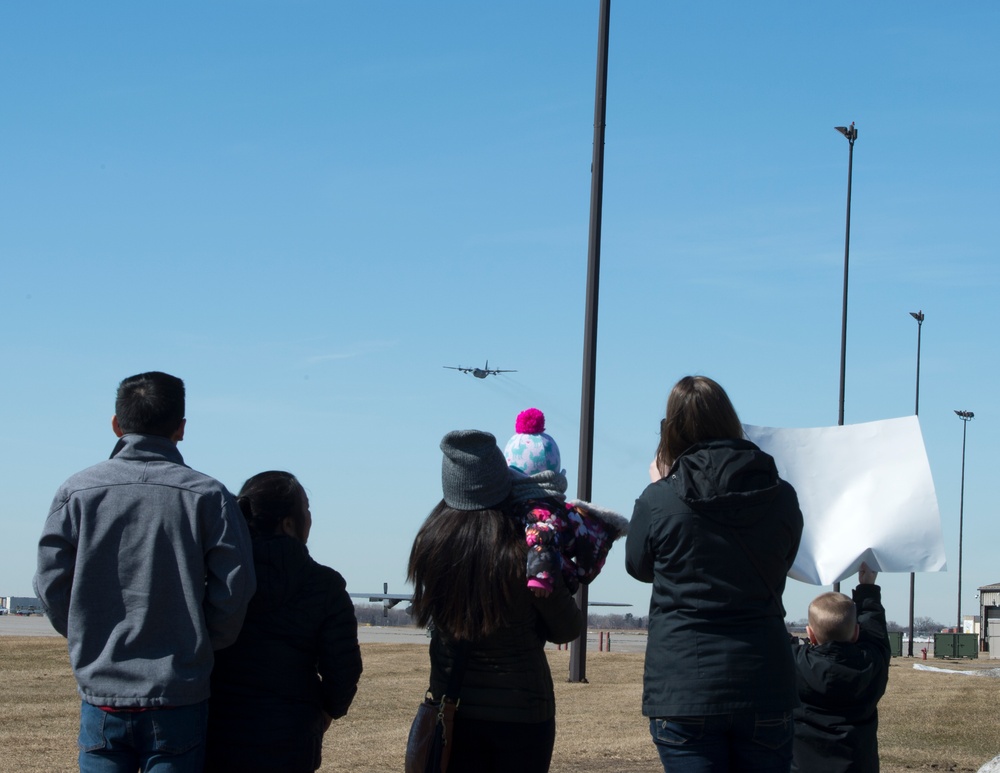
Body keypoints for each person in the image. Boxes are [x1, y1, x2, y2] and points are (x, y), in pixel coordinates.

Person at [33, 371, 256, 772]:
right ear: (181, 428)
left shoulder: (77, 492)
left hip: (101, 690)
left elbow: (51, 583)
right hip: (178, 693)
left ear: (117, 425)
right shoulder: (208, 496)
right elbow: (235, 588)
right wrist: (200, 642)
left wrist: (88, 632)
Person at [625, 375, 804, 772]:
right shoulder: (782, 495)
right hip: (764, 681)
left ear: (671, 429)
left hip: (685, 686)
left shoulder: (660, 499)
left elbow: (639, 566)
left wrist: (660, 490)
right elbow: (785, 558)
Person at [407, 429, 585, 773]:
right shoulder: (525, 548)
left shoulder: (431, 545)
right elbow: (567, 628)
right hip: (523, 716)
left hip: (454, 711)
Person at [205, 471, 363, 773]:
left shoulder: (215, 576)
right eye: (307, 510)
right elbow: (343, 667)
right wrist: (328, 710)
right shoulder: (324, 584)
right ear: (289, 524)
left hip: (217, 729)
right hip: (291, 735)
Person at [503, 407, 628, 597]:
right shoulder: (565, 511)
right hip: (566, 575)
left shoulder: (534, 509)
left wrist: (540, 575)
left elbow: (540, 534)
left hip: (542, 580)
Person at [790, 562, 890, 773]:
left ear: (810, 634)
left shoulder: (795, 664)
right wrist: (867, 588)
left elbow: (770, 630)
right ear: (856, 632)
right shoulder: (872, 664)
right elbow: (875, 631)